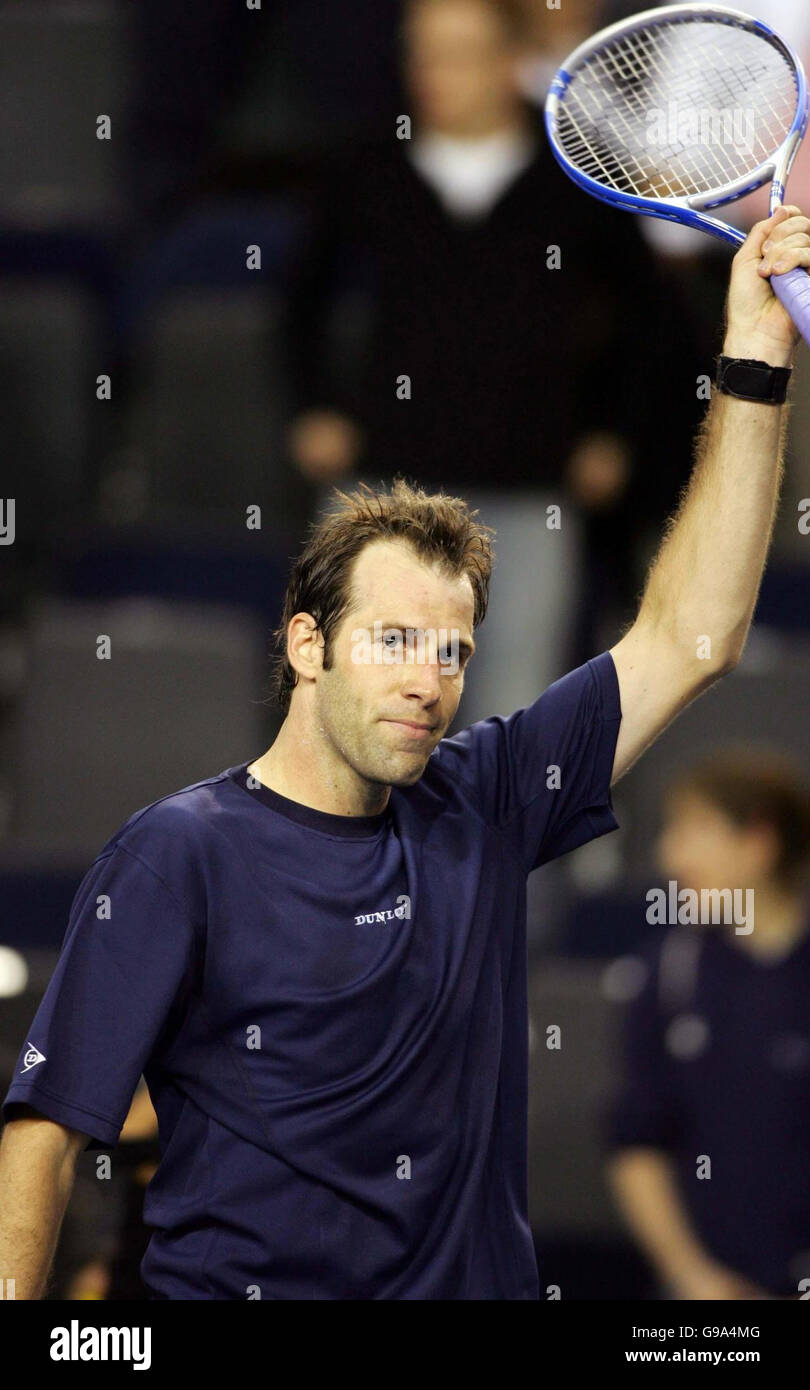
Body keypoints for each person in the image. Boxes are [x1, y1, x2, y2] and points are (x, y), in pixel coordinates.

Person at [0, 203, 808, 1299]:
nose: (429, 678)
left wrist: (754, 364)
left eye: (454, 650)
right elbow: (47, 1131)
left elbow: (692, 635)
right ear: (307, 644)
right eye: (393, 639)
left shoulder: (489, 795)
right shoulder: (176, 854)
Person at [283, 0, 701, 716]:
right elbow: (299, 299)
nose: (432, 74)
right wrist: (314, 406)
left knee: (511, 714)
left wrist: (613, 434)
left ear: (512, 62)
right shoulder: (368, 163)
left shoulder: (573, 175)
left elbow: (650, 318)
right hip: (383, 490)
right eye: (420, 53)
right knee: (352, 709)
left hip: (527, 490)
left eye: (457, 54)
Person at [606, 749, 810, 1301]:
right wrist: (694, 1279)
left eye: (695, 830)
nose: (670, 856)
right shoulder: (669, 972)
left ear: (757, 842)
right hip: (712, 1297)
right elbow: (637, 1141)